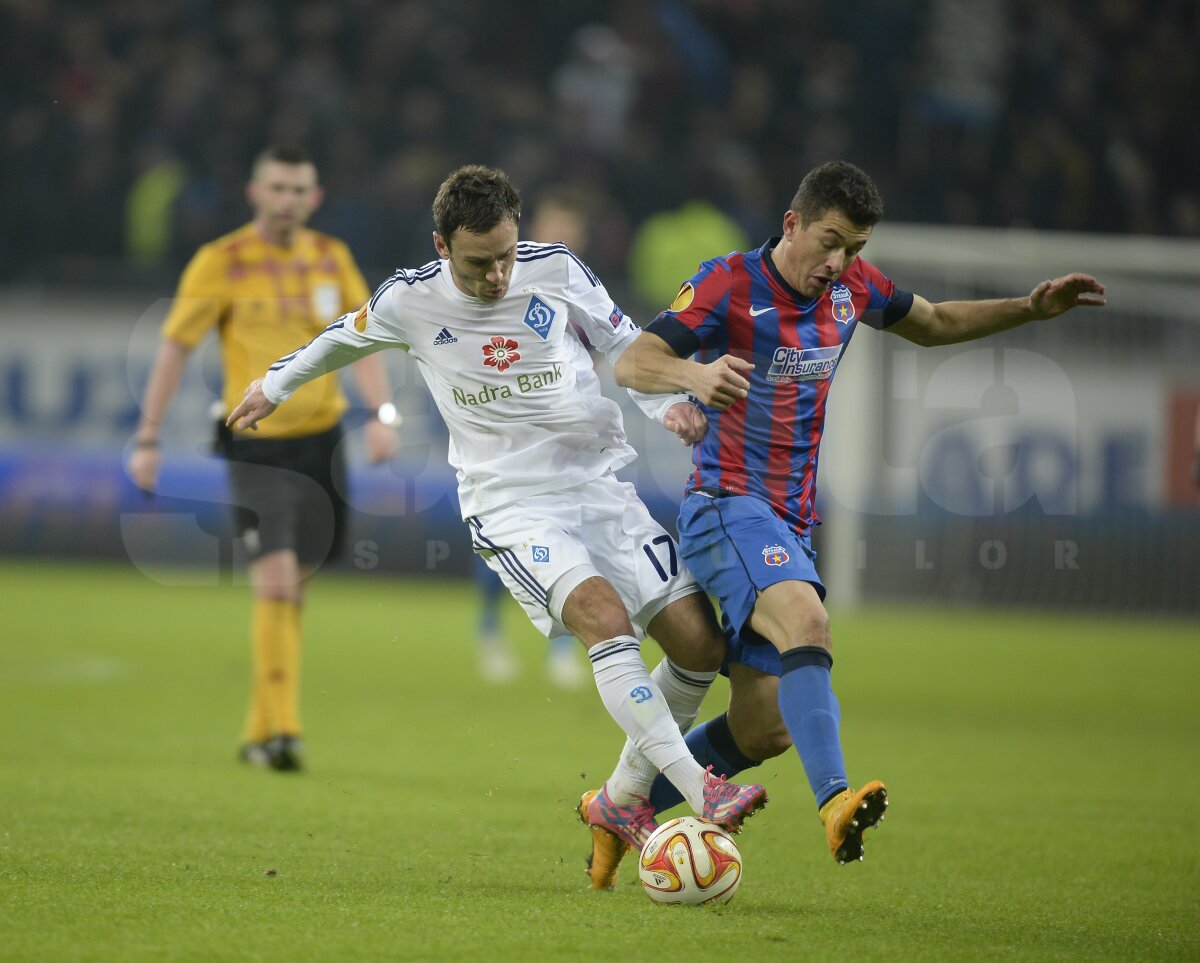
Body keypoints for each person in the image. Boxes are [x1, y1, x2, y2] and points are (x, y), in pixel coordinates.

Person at [225, 164, 768, 867]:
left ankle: (623, 794)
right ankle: (701, 789)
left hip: (597, 483)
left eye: (507, 255)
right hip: (511, 503)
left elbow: (627, 347)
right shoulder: (409, 299)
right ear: (441, 245)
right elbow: (337, 338)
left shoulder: (557, 268)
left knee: (698, 645)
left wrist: (669, 407)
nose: (498, 276)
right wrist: (272, 384)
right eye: (479, 263)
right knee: (603, 619)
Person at [583, 159, 1107, 883]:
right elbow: (636, 361)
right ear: (793, 222)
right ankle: (835, 801)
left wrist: (1030, 307)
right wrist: (695, 375)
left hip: (788, 523)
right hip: (726, 507)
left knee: (763, 727)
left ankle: (621, 803)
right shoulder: (727, 282)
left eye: (854, 248)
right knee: (810, 624)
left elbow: (934, 321)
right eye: (830, 241)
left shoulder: (853, 288)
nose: (839, 262)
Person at [129, 145, 399, 772]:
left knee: (294, 587)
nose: (287, 200)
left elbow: (368, 337)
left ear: (315, 197)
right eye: (276, 188)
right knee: (276, 580)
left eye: (298, 189)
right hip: (254, 443)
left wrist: (383, 417)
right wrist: (146, 436)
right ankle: (284, 731)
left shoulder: (332, 258)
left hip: (323, 442)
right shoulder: (219, 262)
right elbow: (174, 349)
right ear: (255, 193)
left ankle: (258, 731)